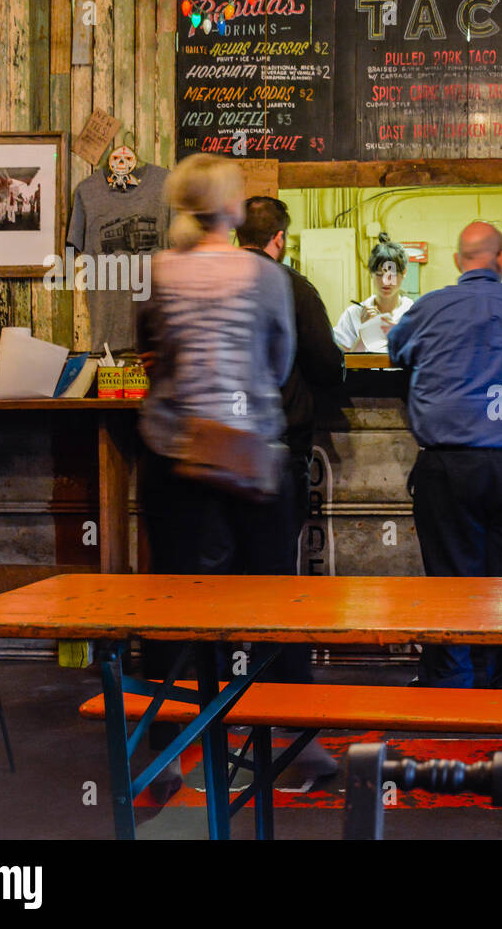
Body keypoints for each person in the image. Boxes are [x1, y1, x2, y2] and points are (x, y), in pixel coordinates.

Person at [135, 153, 296, 800]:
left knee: (171, 605)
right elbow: (279, 361)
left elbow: (152, 353)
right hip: (249, 454)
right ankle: (283, 738)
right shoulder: (262, 275)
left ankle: (163, 750)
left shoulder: (162, 271)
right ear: (231, 208)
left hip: (174, 452)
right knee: (275, 601)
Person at [387, 221, 502, 690]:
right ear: (501, 259)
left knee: (450, 580)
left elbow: (396, 352)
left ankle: (450, 679)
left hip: (448, 466)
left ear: (459, 261)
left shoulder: (428, 306)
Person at [234, 196, 347, 781]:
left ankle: (215, 714)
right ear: (279, 237)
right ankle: (289, 721)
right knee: (278, 587)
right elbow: (328, 364)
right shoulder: (292, 286)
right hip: (277, 451)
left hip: (208, 457)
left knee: (218, 592)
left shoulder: (211, 278)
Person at [333, 233, 414, 353]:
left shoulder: (413, 313)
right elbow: (345, 365)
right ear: (371, 274)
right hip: (363, 372)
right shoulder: (353, 314)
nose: (385, 281)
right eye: (379, 274)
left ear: (404, 273)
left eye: (391, 275)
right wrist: (365, 332)